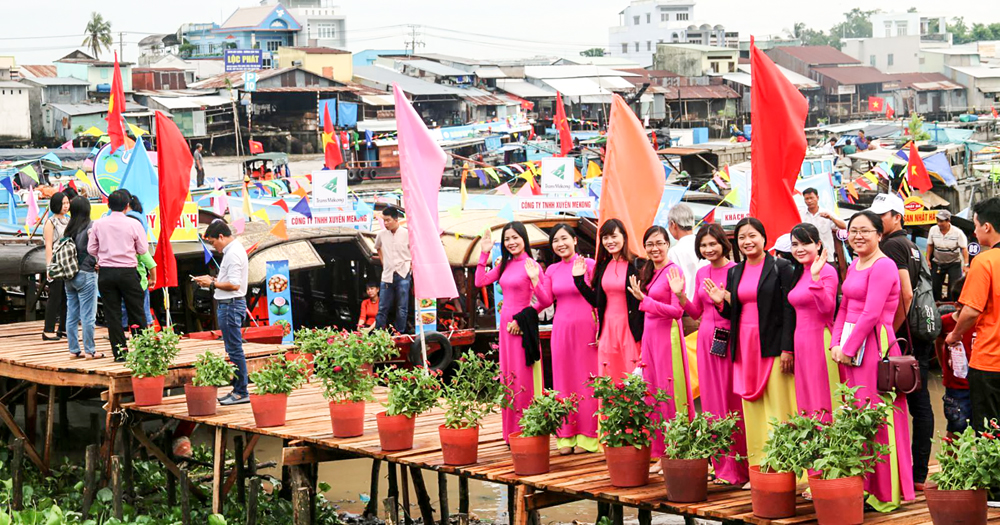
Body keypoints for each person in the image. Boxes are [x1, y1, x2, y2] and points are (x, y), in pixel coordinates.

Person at [831, 210, 915, 511]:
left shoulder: (884, 266)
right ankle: (863, 485)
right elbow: (843, 307)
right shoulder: (854, 263)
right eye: (853, 230)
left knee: (880, 417)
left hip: (876, 347)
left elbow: (871, 313)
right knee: (858, 415)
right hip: (852, 347)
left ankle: (886, 491)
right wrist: (835, 343)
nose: (858, 236)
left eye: (865, 230)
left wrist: (848, 348)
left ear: (880, 234)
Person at [705, 217, 796, 471]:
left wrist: (787, 348)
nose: (747, 241)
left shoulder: (781, 266)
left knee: (778, 405)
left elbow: (790, 310)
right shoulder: (735, 271)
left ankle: (786, 467)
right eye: (742, 237)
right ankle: (759, 467)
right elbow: (732, 314)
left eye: (752, 235)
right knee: (751, 407)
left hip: (773, 344)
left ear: (764, 238)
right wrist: (720, 302)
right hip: (745, 344)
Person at [671, 223, 747, 485]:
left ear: (723, 244)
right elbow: (694, 312)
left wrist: (723, 297)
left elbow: (742, 307)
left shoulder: (736, 270)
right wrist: (680, 295)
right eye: (703, 245)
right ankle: (723, 467)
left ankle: (740, 468)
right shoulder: (702, 271)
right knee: (712, 404)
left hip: (728, 340)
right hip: (706, 340)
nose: (708, 248)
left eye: (713, 243)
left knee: (731, 401)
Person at [870, 192, 934, 490]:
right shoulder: (912, 245)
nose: (877, 220)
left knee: (897, 403)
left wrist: (889, 332)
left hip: (902, 337)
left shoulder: (892, 245)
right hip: (918, 335)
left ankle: (903, 474)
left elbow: (905, 293)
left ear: (897, 217)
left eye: (883, 216)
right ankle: (918, 472)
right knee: (920, 405)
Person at [474, 221, 546, 441]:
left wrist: (521, 320)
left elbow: (545, 300)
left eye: (515, 237)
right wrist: (484, 253)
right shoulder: (504, 264)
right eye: (507, 239)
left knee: (523, 378)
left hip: (521, 329)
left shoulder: (531, 265)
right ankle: (510, 433)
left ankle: (527, 429)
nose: (512, 242)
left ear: (524, 238)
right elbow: (480, 281)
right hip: (505, 329)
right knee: (509, 378)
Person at [628, 225, 694, 460]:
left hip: (668, 337)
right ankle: (659, 451)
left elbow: (677, 312)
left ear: (668, 244)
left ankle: (678, 450)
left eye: (659, 243)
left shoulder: (673, 271)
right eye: (650, 244)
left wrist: (645, 301)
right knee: (652, 393)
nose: (654, 248)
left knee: (670, 393)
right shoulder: (650, 271)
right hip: (651, 337)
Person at [532, 224, 599, 454]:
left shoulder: (588, 265)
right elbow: (545, 300)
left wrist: (600, 327)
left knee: (586, 381)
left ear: (574, 240)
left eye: (564, 239)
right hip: (560, 330)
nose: (560, 244)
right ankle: (566, 436)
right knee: (564, 380)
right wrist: (535, 280)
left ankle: (588, 436)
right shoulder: (551, 270)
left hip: (587, 328)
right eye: (555, 241)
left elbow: (598, 298)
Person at [946, 197, 1000, 433]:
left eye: (976, 225)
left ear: (987, 226)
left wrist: (955, 335)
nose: (975, 231)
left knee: (990, 435)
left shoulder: (985, 261)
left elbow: (970, 311)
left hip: (991, 361)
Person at [574, 218, 644, 380]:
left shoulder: (637, 265)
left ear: (624, 237)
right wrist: (578, 281)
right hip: (607, 331)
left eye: (614, 236)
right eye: (605, 237)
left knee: (632, 377)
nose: (610, 241)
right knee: (609, 377)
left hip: (631, 329)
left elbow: (644, 300)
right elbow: (597, 302)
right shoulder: (603, 265)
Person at [787, 223, 840, 423]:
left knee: (822, 396)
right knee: (806, 396)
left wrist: (816, 278)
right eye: (794, 244)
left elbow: (828, 309)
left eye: (805, 243)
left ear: (818, 244)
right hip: (801, 342)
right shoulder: (798, 272)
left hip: (820, 340)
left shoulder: (826, 271)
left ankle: (829, 444)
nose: (799, 249)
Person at [88, 189, 149, 361]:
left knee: (112, 314)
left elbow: (91, 249)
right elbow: (143, 249)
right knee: (136, 312)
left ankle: (120, 353)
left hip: (106, 272)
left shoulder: (98, 224)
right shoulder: (134, 224)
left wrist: (103, 254)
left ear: (108, 205)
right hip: (128, 271)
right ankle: (142, 351)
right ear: (127, 205)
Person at [193, 221, 250, 405]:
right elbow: (231, 280)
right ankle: (237, 389)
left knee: (234, 349)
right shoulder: (233, 250)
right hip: (231, 304)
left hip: (231, 305)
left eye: (212, 242)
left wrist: (210, 284)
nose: (213, 247)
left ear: (221, 237)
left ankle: (241, 391)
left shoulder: (233, 253)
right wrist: (214, 280)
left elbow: (234, 284)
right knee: (232, 348)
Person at [63, 197, 101, 358]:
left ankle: (73, 350)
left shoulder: (68, 228)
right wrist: (97, 263)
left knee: (72, 314)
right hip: (86, 274)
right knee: (88, 315)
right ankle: (90, 351)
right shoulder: (91, 226)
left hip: (69, 275)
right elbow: (94, 249)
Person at [938, 277, 973, 437]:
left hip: (980, 383)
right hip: (956, 386)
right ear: (957, 305)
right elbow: (938, 344)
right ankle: (951, 462)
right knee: (955, 428)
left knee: (985, 430)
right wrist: (943, 367)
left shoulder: (983, 323)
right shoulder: (946, 322)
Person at [667, 203, 705, 334]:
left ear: (673, 224)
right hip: (705, 311)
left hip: (687, 313)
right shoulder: (704, 246)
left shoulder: (674, 251)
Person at [374, 206, 412, 333]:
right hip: (387, 274)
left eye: (388, 220)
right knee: (382, 307)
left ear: (396, 219)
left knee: (402, 307)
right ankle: (379, 334)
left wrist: (410, 266)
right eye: (384, 220)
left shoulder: (407, 234)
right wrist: (383, 262)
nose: (385, 223)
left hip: (403, 273)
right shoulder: (381, 234)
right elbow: (377, 247)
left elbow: (414, 251)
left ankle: (399, 332)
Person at [121, 195, 155, 328]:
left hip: (133, 279)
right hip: (140, 280)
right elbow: (151, 265)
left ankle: (125, 328)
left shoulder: (130, 219)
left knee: (126, 305)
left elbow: (151, 264)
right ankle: (145, 327)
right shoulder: (139, 217)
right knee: (141, 307)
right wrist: (153, 279)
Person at [42, 192, 70, 341]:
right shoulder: (50, 222)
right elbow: (48, 246)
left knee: (67, 297)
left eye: (67, 203)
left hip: (68, 263)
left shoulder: (69, 220)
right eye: (63, 203)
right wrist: (49, 266)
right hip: (56, 262)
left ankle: (63, 328)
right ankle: (48, 329)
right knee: (55, 297)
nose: (66, 206)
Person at [927, 210, 968, 301]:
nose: (939, 223)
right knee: (935, 285)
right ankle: (936, 303)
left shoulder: (958, 232)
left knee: (954, 286)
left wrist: (966, 264)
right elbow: (930, 245)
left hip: (954, 262)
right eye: (937, 221)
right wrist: (928, 260)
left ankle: (952, 304)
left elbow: (964, 249)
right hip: (938, 262)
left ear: (948, 221)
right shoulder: (933, 230)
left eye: (941, 221)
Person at [800, 187, 846, 262]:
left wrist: (831, 218)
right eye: (806, 199)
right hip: (808, 255)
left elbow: (844, 226)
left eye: (811, 198)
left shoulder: (827, 213)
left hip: (827, 254)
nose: (809, 201)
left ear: (817, 198)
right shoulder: (801, 214)